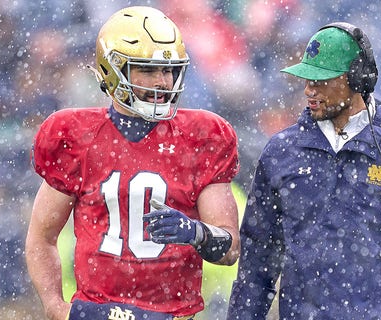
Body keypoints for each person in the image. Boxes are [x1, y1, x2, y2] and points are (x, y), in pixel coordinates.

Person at [227, 22, 381, 319]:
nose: (308, 90)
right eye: (307, 80)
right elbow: (256, 265)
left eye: (320, 81)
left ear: (356, 79)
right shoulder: (281, 154)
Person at [25, 6, 241, 320]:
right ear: (114, 70)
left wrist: (197, 233)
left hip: (172, 314)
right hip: (95, 312)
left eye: (169, 70)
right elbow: (41, 238)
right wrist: (55, 307)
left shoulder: (203, 137)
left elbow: (230, 248)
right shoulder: (75, 135)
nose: (164, 82)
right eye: (149, 70)